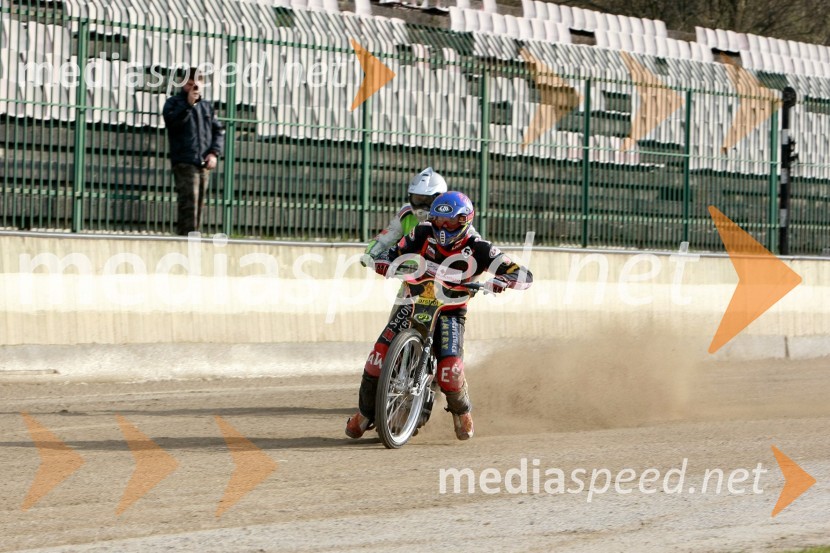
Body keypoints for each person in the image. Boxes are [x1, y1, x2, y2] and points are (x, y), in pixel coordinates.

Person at [345, 191, 533, 441]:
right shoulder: (421, 232)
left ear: (465, 220)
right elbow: (394, 252)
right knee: (377, 357)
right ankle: (365, 413)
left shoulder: (479, 247)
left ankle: (462, 411)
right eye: (438, 221)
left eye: (450, 222)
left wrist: (501, 281)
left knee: (450, 370)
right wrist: (383, 261)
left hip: (450, 311)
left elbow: (522, 274)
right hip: (412, 301)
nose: (443, 228)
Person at [162, 67, 225, 236]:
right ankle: (187, 238)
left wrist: (214, 153)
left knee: (199, 203)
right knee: (189, 202)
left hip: (203, 161)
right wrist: (188, 105)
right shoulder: (174, 103)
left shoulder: (207, 107)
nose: (193, 89)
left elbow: (218, 131)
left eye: (196, 85)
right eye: (189, 85)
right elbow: (172, 123)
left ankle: (193, 236)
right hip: (184, 160)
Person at [361, 167, 448, 265]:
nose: (422, 206)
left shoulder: (450, 217)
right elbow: (388, 236)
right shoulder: (406, 213)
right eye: (417, 200)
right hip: (411, 274)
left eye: (427, 201)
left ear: (440, 199)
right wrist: (370, 254)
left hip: (442, 272)